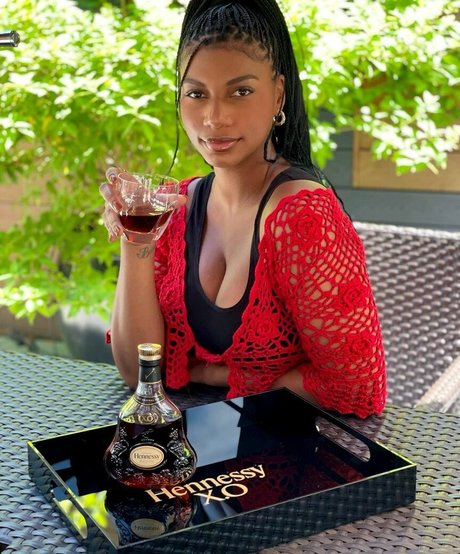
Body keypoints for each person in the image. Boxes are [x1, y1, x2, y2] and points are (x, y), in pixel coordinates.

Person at [100, 0, 386, 418]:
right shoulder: (176, 209)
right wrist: (136, 241)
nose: (215, 117)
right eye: (196, 93)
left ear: (278, 94)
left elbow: (356, 386)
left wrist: (217, 376)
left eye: (241, 91)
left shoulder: (301, 216)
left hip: (292, 445)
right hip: (199, 442)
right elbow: (136, 373)